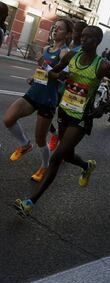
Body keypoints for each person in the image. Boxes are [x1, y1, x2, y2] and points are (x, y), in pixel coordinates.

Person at [14, 25, 110, 216]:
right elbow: (53, 72)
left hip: (82, 117)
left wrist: (102, 108)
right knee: (67, 154)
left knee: (57, 157)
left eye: (88, 38)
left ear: (97, 42)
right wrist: (53, 74)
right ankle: (86, 166)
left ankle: (30, 202)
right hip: (64, 112)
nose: (83, 40)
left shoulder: (102, 66)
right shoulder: (71, 57)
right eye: (82, 37)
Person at [3, 19, 73, 182]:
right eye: (54, 27)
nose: (55, 30)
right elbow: (41, 72)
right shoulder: (46, 49)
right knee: (8, 119)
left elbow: (63, 78)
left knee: (41, 139)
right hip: (34, 93)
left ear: (68, 34)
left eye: (60, 29)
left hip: (48, 100)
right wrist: (33, 78)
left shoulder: (65, 52)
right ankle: (25, 145)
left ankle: (44, 166)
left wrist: (44, 64)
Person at [48, 20, 88, 152]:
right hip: (59, 86)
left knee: (61, 119)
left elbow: (64, 73)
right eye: (73, 30)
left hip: (70, 92)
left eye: (75, 30)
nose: (73, 32)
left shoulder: (80, 50)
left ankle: (62, 146)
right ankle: (56, 136)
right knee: (45, 110)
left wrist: (49, 71)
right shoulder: (68, 46)